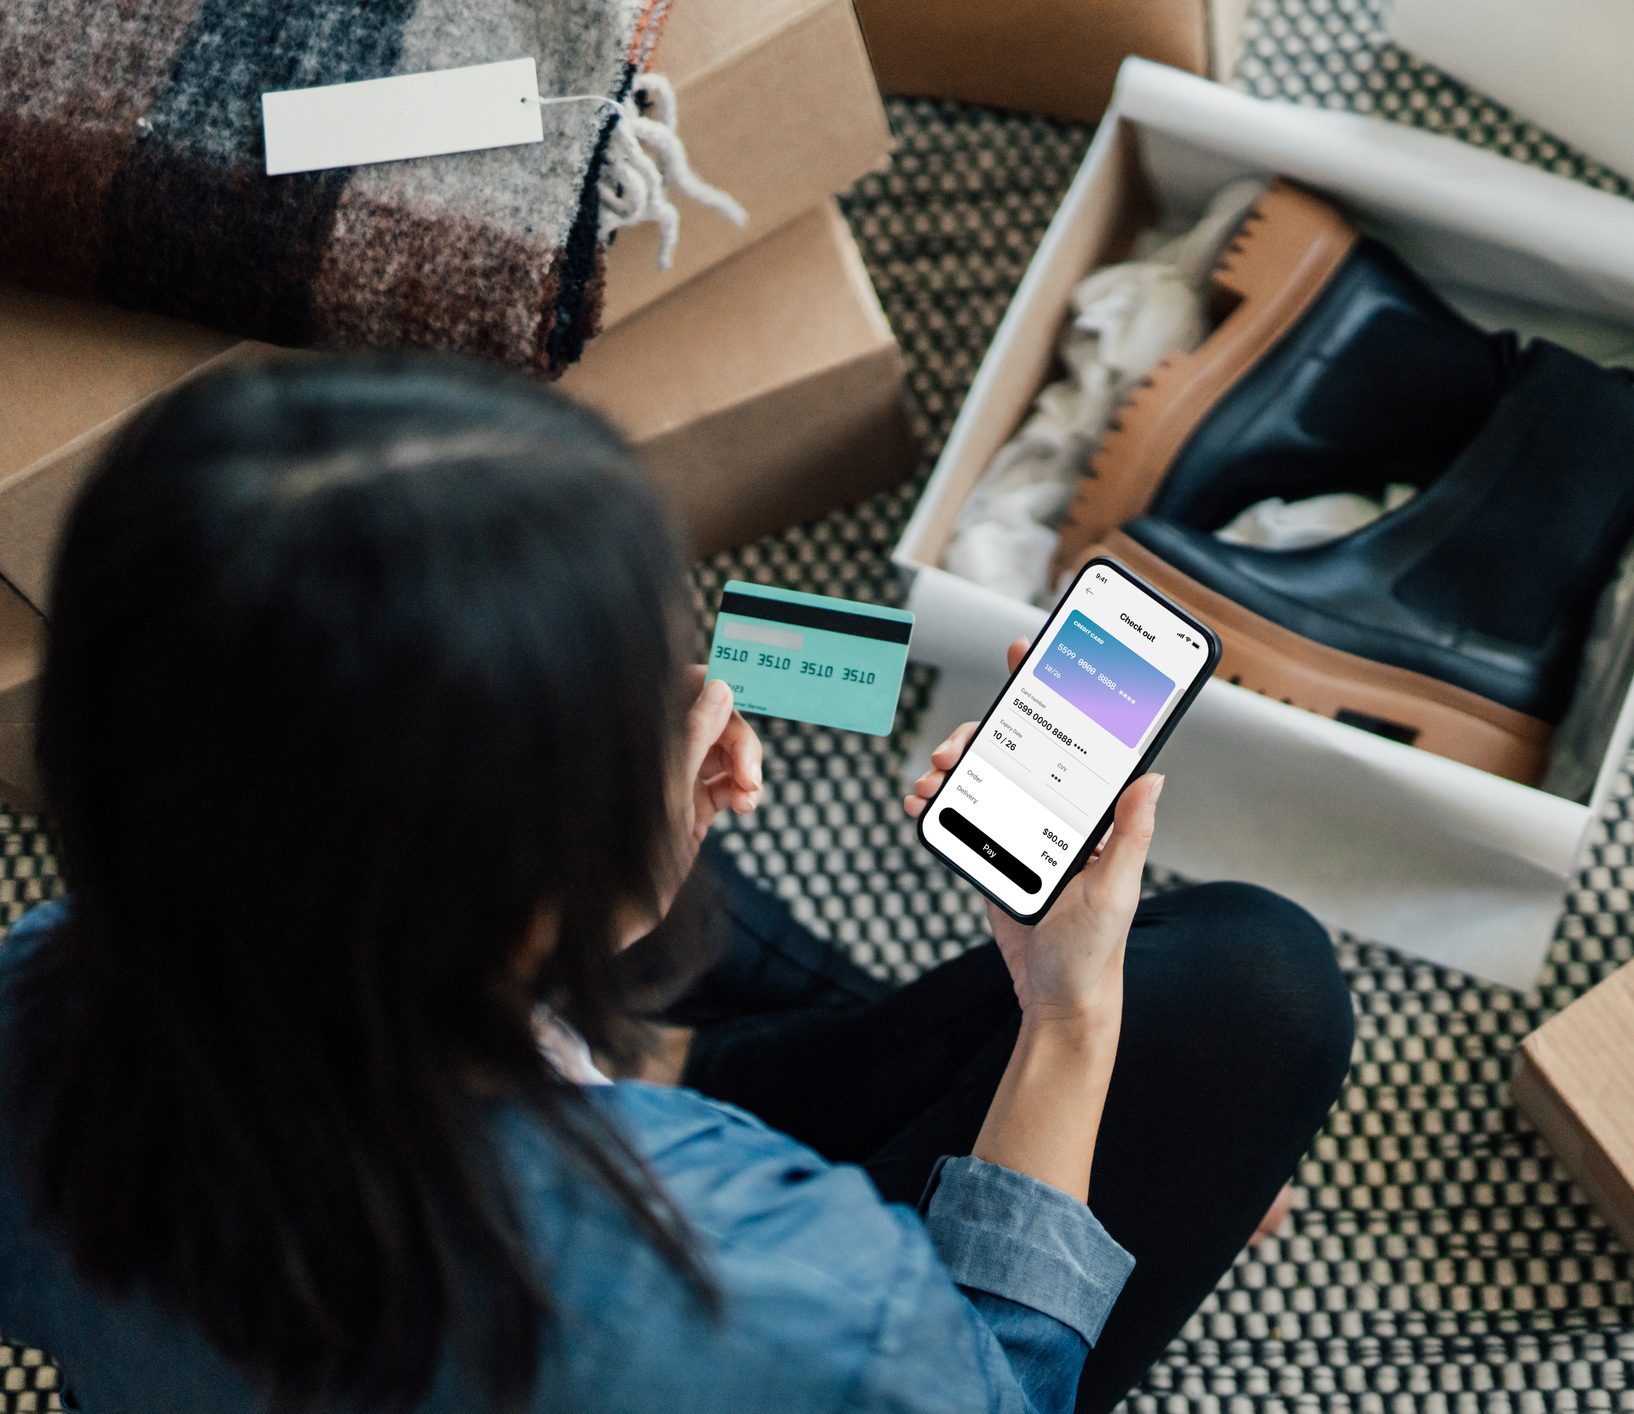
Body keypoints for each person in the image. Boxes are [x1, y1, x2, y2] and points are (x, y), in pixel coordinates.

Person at [0, 356, 1355, 1414]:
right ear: (524, 874)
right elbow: (998, 1383)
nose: (703, 702)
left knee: (789, 960)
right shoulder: (788, 1294)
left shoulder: (41, 986)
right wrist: (1067, 1025)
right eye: (648, 701)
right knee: (1259, 982)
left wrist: (615, 900)